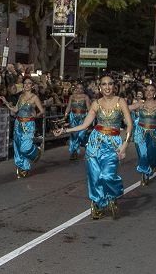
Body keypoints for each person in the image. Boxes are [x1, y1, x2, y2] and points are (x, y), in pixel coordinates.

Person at [55, 75, 132, 219]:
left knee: (107, 175)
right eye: (104, 84)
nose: (107, 87)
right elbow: (85, 125)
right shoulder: (96, 103)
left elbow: (129, 124)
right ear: (100, 87)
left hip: (113, 143)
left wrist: (125, 144)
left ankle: (113, 196)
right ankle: (98, 203)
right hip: (95, 142)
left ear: (114, 86)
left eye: (110, 84)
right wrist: (65, 130)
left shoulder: (120, 102)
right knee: (94, 176)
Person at [128, 85, 156, 185]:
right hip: (140, 132)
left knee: (152, 156)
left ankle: (149, 168)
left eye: (151, 90)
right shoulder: (140, 104)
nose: (149, 92)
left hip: (154, 133)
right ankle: (144, 173)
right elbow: (126, 108)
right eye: (147, 90)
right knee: (143, 154)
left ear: (155, 93)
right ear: (144, 93)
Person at [0, 77, 44, 178]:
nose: (27, 85)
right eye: (25, 83)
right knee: (18, 147)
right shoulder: (20, 96)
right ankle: (23, 167)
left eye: (29, 83)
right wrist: (6, 102)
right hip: (18, 124)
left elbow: (42, 111)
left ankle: (36, 152)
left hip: (28, 125)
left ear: (32, 85)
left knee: (25, 148)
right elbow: (15, 110)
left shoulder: (35, 97)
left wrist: (36, 115)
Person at [66, 82, 92, 161]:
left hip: (83, 117)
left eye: (81, 88)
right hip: (73, 117)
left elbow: (89, 108)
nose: (79, 89)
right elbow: (69, 106)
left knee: (81, 135)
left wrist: (91, 117)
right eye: (78, 88)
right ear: (75, 88)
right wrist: (65, 114)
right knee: (74, 135)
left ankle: (88, 145)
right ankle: (74, 152)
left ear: (83, 89)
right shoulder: (72, 97)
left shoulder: (86, 97)